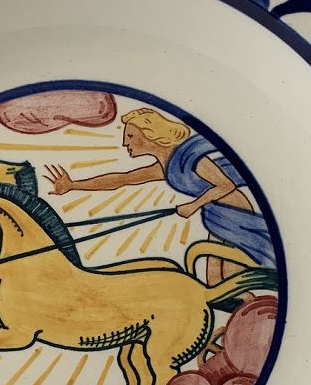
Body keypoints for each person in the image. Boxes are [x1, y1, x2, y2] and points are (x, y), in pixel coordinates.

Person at [45, 106, 274, 283]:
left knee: (233, 278)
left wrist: (194, 205)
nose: (125, 142)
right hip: (216, 215)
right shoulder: (164, 166)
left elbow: (226, 185)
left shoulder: (189, 156)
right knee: (214, 279)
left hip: (236, 214)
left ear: (150, 133)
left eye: (130, 136)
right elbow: (122, 179)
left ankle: (255, 317)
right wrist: (73, 185)